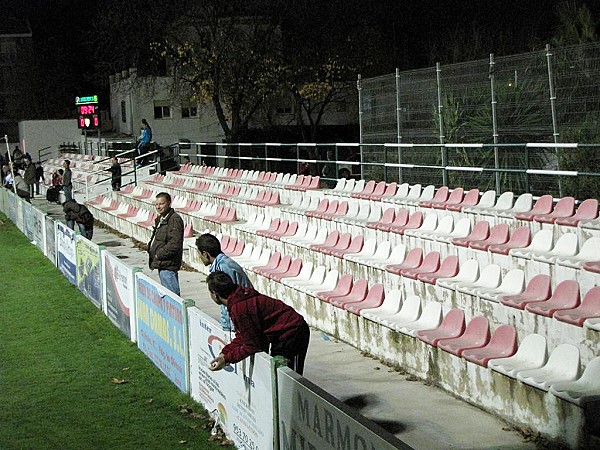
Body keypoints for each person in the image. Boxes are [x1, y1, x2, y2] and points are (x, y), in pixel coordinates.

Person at [206, 271, 310, 375]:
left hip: (293, 330)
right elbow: (244, 335)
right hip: (280, 335)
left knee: (289, 376)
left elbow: (252, 345)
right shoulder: (238, 298)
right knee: (277, 374)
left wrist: (227, 359)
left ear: (215, 294)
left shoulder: (239, 308)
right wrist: (224, 354)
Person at [195, 233, 253, 331]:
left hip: (242, 320)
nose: (199, 257)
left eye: (199, 254)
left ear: (205, 254)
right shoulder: (221, 264)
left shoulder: (224, 267)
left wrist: (228, 327)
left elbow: (229, 297)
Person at [148, 192, 184, 296]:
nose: (158, 207)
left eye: (161, 204)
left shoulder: (174, 219)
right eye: (156, 204)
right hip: (162, 264)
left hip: (168, 265)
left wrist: (158, 254)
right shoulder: (161, 218)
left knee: (173, 297)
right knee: (168, 297)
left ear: (169, 203)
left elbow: (174, 245)